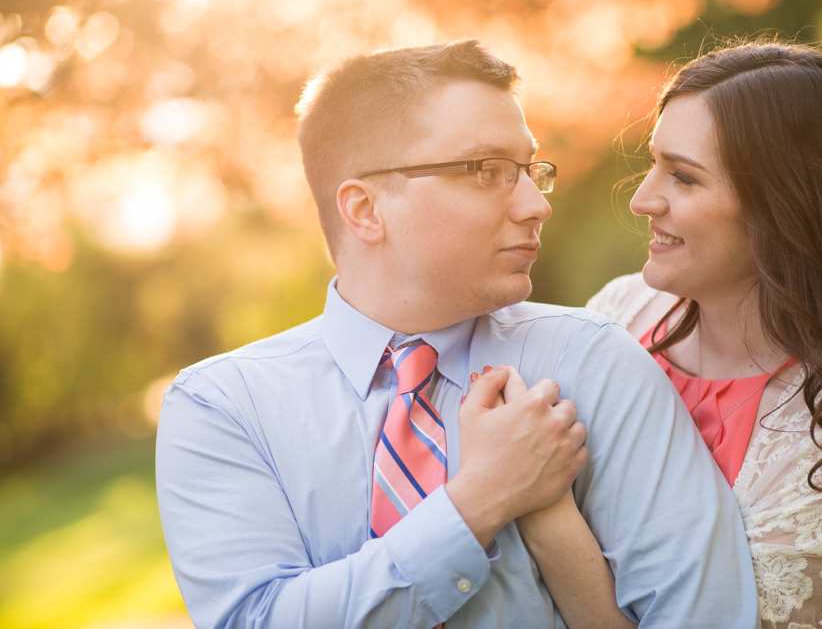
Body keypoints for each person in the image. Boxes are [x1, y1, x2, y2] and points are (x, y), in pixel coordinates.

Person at [155, 40, 760, 629]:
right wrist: (480, 501)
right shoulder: (222, 408)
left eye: (529, 171)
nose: (535, 204)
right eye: (487, 171)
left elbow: (702, 615)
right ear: (365, 209)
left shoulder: (594, 361)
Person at [513, 41, 822, 629]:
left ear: (782, 209)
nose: (641, 198)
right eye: (653, 162)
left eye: (683, 177)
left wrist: (542, 510)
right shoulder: (626, 311)